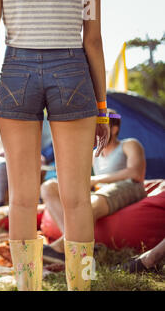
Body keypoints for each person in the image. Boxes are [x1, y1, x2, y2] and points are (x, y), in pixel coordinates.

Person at [0, 0, 110, 290]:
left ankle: (27, 286)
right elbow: (93, 39)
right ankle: (80, 287)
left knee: (21, 199)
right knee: (77, 199)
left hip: (17, 72)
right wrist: (101, 110)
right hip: (73, 71)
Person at [41, 109, 147, 263]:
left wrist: (95, 180)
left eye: (100, 126)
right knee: (48, 187)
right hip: (102, 192)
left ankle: (62, 248)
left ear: (114, 129)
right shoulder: (94, 153)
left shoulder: (129, 144)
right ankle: (74, 242)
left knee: (89, 204)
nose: (96, 131)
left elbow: (136, 173)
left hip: (128, 188)